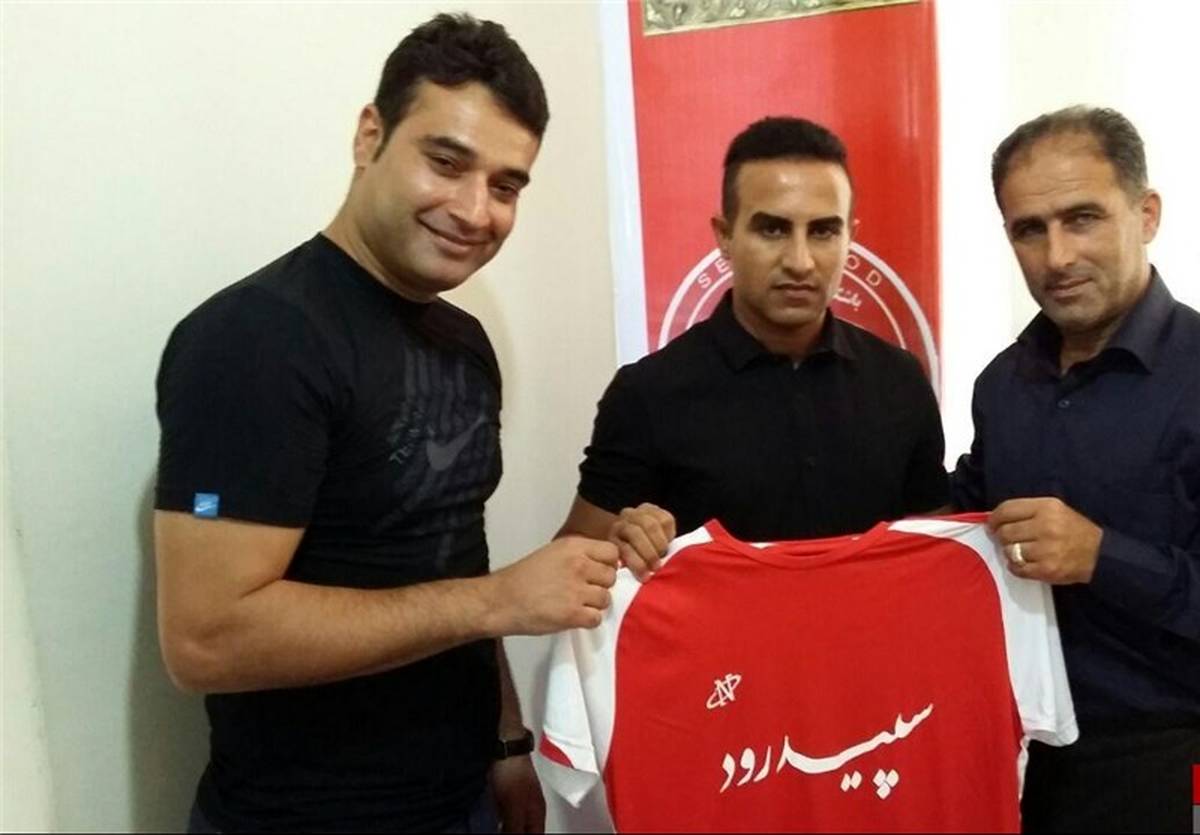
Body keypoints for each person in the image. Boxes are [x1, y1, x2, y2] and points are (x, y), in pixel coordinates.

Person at [153, 14, 618, 833]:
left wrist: (507, 743)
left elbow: (452, 550)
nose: (474, 209)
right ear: (370, 135)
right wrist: (497, 601)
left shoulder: (463, 340)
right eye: (447, 162)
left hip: (462, 801)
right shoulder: (256, 339)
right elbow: (206, 639)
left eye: (506, 186)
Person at [951, 106, 1200, 833]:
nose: (1057, 256)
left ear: (1146, 214)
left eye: (1082, 218)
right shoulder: (1002, 384)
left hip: (1173, 753)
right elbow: (959, 525)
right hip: (1020, 757)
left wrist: (1101, 556)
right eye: (1030, 229)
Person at [558, 116, 949, 569]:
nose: (800, 261)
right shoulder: (646, 394)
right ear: (725, 237)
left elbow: (938, 553)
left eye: (823, 231)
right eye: (773, 229)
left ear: (850, 238)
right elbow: (573, 564)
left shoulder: (901, 381)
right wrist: (623, 540)